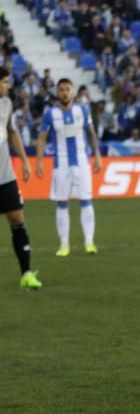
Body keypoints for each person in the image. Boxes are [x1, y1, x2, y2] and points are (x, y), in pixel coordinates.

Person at [36, 78, 102, 256]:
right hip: (60, 165)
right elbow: (42, 138)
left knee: (86, 200)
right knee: (62, 202)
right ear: (57, 93)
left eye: (67, 89)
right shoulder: (50, 114)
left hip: (82, 162)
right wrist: (39, 161)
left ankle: (89, 242)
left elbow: (91, 133)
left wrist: (97, 156)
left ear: (72, 91)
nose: (64, 92)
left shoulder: (82, 110)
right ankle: (64, 244)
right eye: (61, 89)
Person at [0, 68, 42, 290]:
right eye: (4, 82)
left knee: (17, 220)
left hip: (5, 176)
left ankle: (26, 273)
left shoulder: (6, 103)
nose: (7, 86)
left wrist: (25, 161)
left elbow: (12, 133)